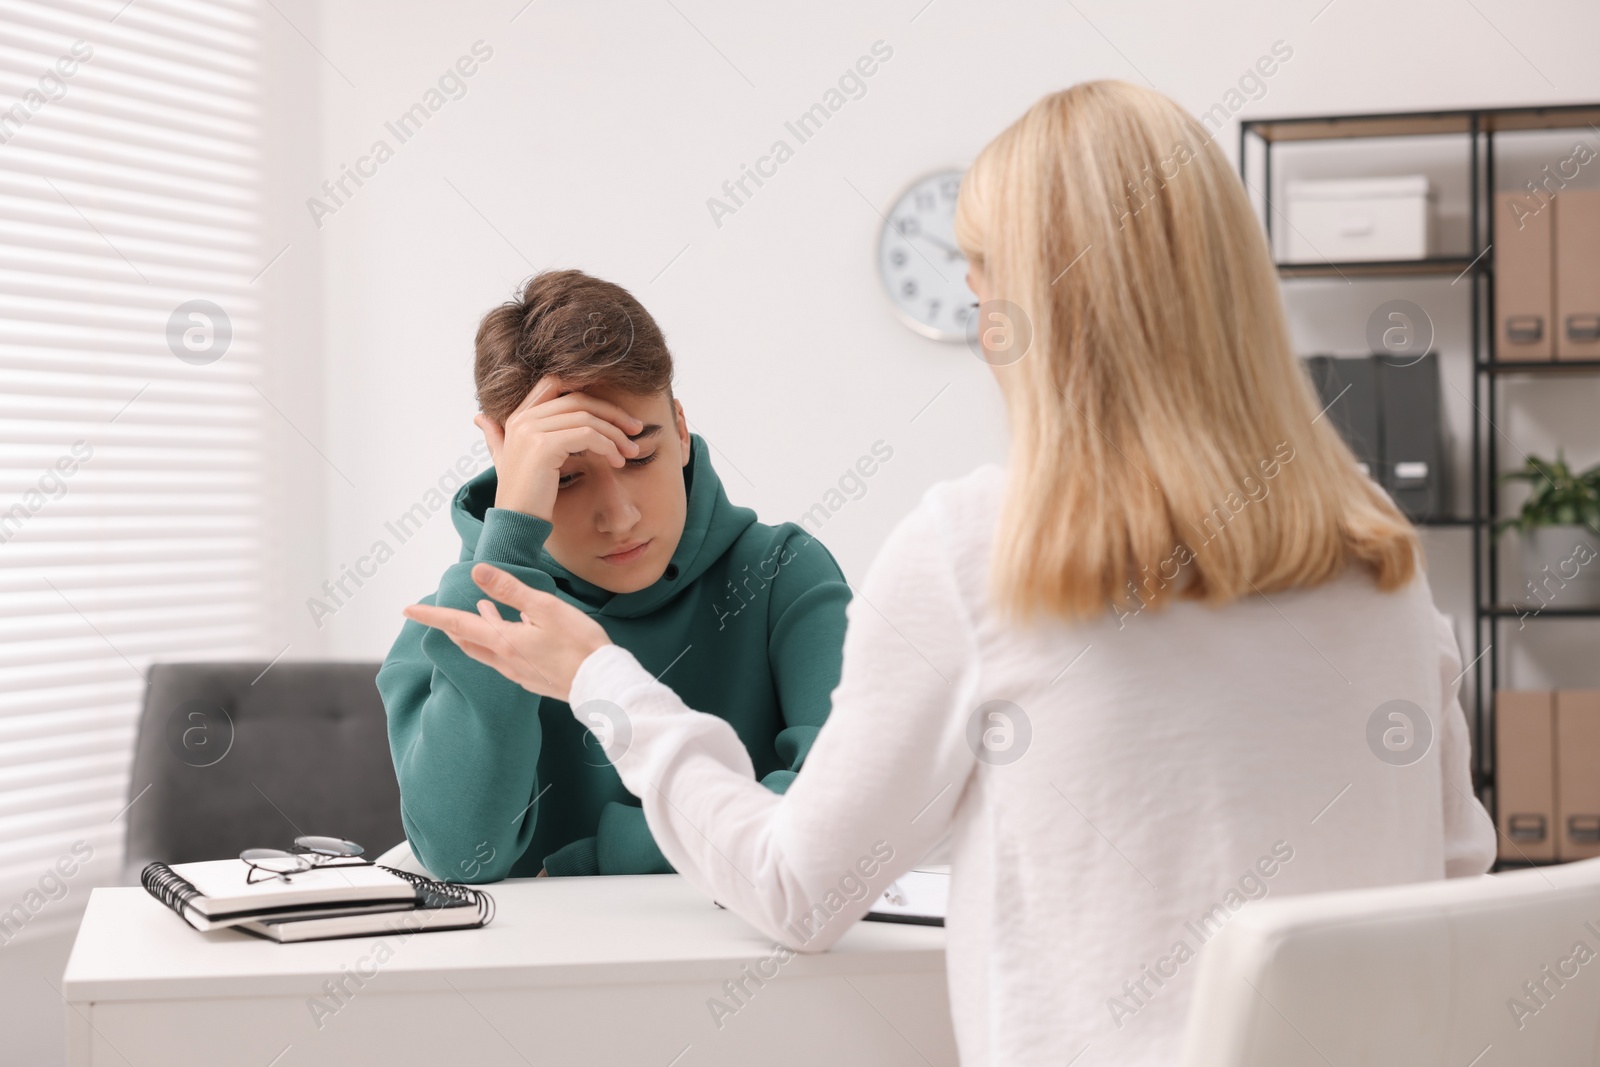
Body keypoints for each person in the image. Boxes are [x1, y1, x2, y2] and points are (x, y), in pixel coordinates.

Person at [402, 83, 1496, 1065]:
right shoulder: (1380, 549)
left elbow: (796, 886)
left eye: (982, 298)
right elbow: (1450, 877)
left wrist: (604, 684)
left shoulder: (981, 548)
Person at [377, 269, 851, 881]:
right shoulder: (449, 628)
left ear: (680, 430)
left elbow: (840, 812)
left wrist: (606, 854)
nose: (620, 518)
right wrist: (511, 532)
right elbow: (459, 857)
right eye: (567, 477)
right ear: (506, 460)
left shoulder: (782, 574)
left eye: (641, 455)